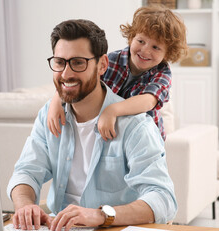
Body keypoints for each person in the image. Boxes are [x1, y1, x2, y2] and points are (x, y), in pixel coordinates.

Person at [7, 19, 177, 231]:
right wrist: (25, 206)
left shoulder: (135, 125)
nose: (66, 74)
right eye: (60, 62)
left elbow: (163, 199)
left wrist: (100, 215)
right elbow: (27, 170)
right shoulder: (48, 115)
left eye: (78, 63)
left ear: (103, 65)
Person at [47, 4, 187, 141]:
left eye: (156, 47)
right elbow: (80, 78)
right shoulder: (112, 59)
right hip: (108, 129)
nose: (145, 50)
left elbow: (148, 100)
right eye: (141, 41)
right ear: (131, 37)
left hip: (143, 137)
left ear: (167, 53)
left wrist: (112, 110)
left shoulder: (162, 73)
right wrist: (56, 101)